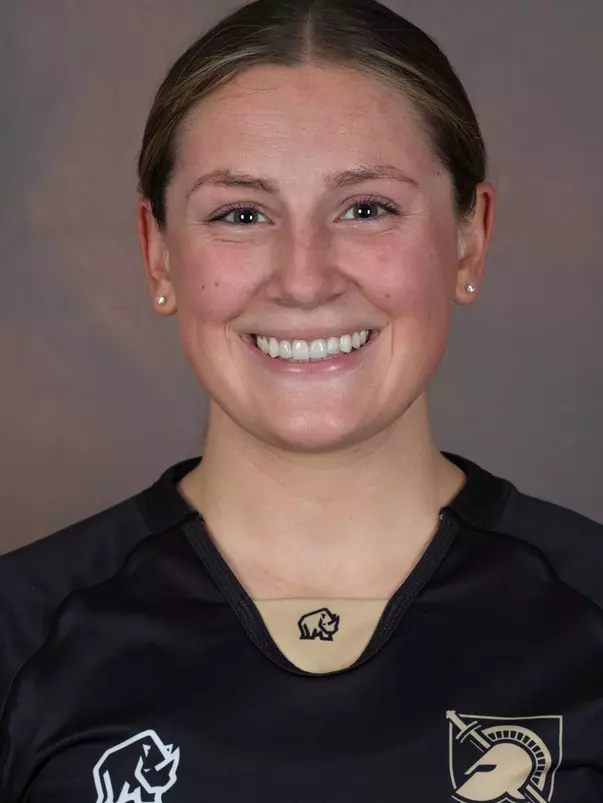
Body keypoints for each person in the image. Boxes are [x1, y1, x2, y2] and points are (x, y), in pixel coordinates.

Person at [1, 0, 602, 800]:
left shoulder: (586, 609)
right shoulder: (21, 632)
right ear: (158, 255)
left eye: (366, 208)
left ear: (470, 239)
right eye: (241, 214)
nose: (304, 279)